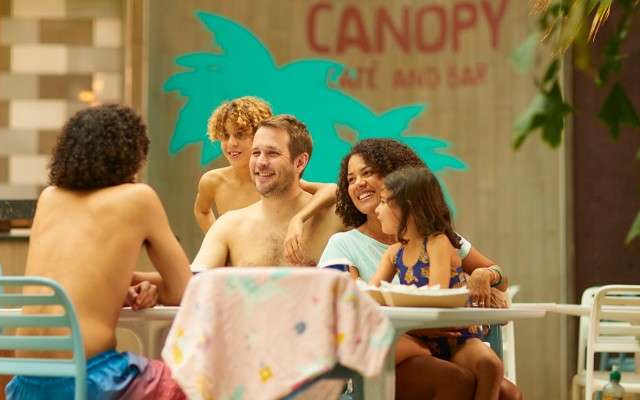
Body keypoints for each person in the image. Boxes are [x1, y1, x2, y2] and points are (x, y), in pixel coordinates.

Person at [7, 105, 191, 400]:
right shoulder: (139, 198)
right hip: (91, 380)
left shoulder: (49, 198)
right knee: (196, 383)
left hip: (26, 385)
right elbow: (185, 289)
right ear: (132, 156)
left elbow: (77, 275)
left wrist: (125, 282)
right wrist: (141, 282)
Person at [319, 138, 520, 399]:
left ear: (397, 178)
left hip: (447, 346)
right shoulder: (343, 244)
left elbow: (500, 277)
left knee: (509, 394)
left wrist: (485, 275)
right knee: (455, 379)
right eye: (351, 179)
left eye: (367, 173)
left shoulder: (440, 238)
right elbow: (349, 309)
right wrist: (418, 326)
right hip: (393, 352)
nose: (358, 184)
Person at [370, 167, 505, 400]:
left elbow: (436, 296)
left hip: (456, 338)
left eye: (383, 202)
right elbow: (370, 294)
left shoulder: (437, 242)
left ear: (408, 206)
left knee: (490, 366)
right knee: (378, 352)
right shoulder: (394, 254)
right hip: (418, 336)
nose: (377, 210)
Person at [192, 114, 346, 268]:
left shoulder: (337, 219)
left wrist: (298, 218)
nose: (261, 162)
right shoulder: (228, 226)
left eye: (273, 153)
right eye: (256, 153)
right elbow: (197, 283)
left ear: (300, 162)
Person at [193, 97, 337, 234]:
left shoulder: (274, 181)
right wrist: (217, 242)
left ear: (260, 136)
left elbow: (332, 190)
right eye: (225, 135)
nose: (231, 143)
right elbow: (201, 211)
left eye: (240, 134)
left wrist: (299, 218)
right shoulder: (212, 181)